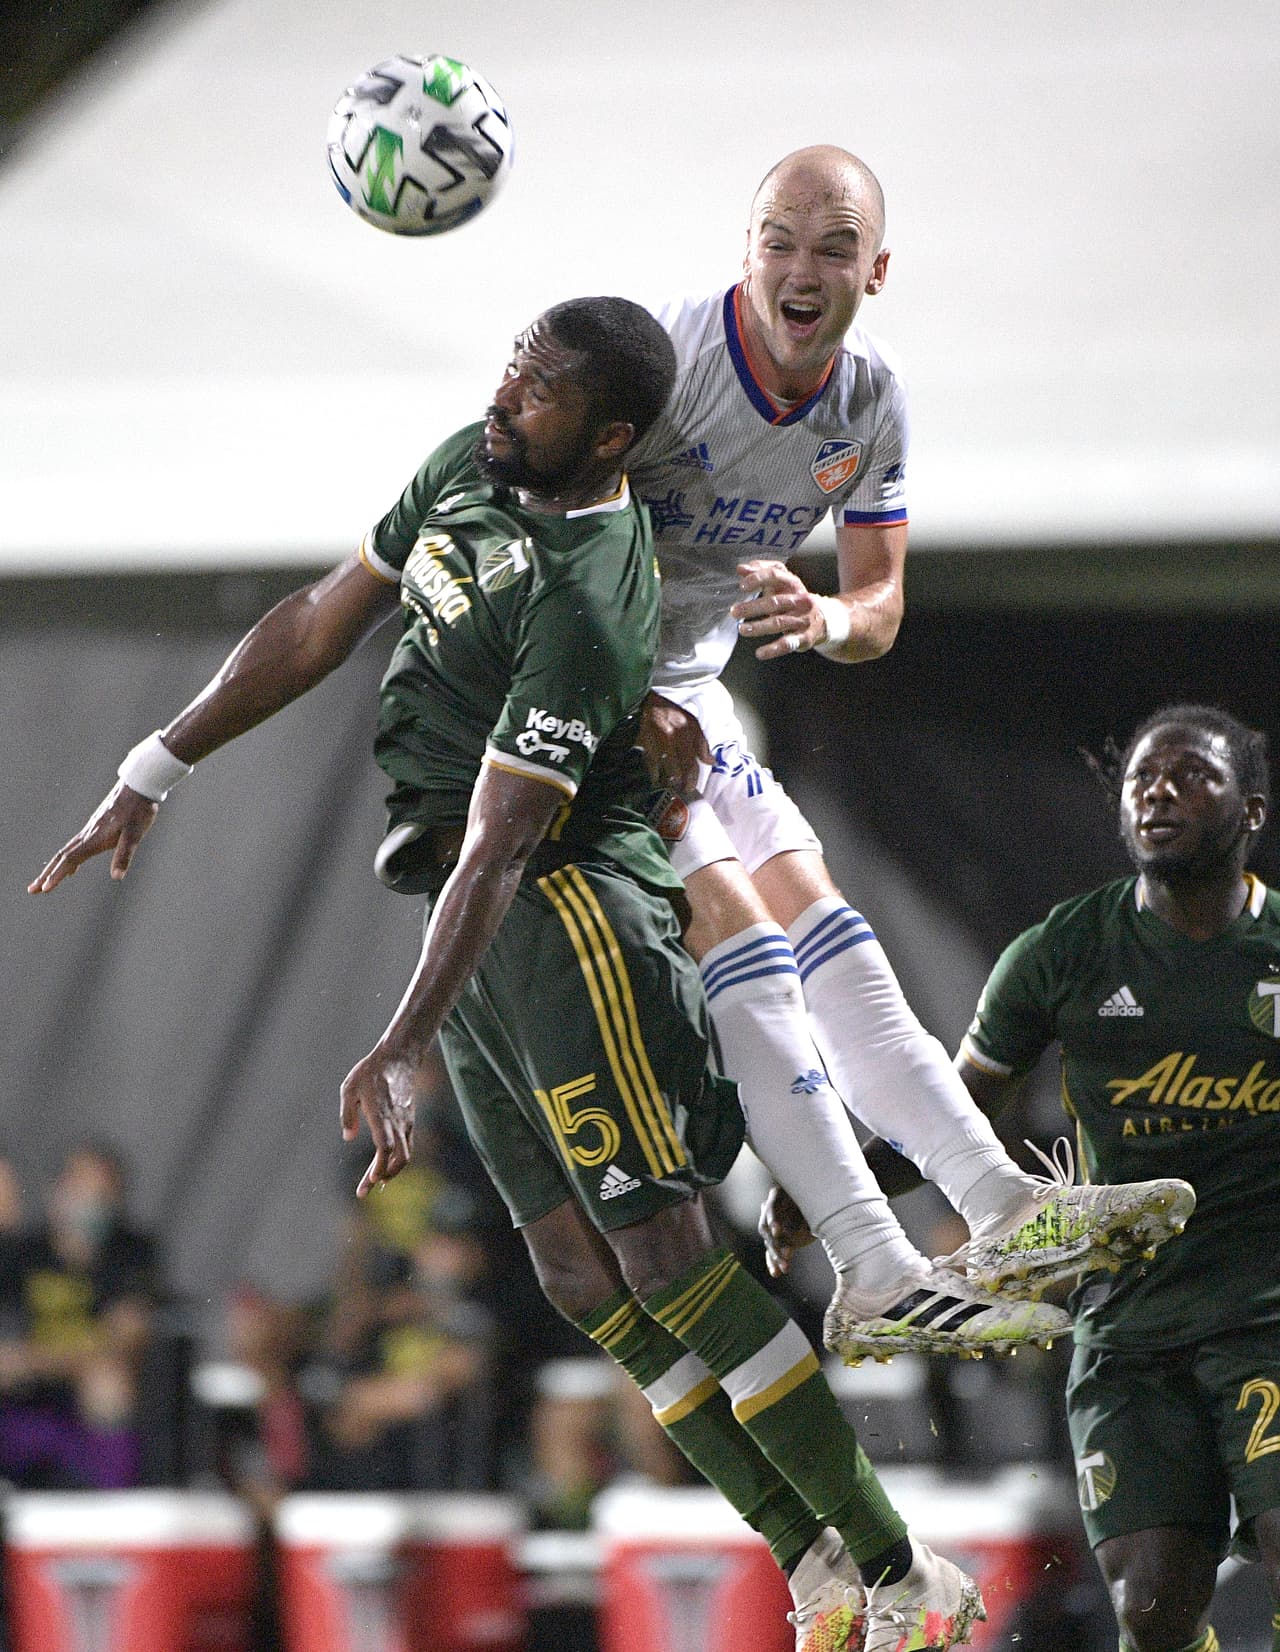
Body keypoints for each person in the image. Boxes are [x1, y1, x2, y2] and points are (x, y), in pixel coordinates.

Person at [30, 296, 984, 1652]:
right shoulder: (466, 465)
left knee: (661, 1250)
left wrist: (404, 1037)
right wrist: (155, 766)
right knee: (575, 1278)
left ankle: (896, 1571)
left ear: (607, 437)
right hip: (461, 910)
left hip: (568, 906)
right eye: (509, 368)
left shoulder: (594, 593)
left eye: (536, 391)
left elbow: (503, 839)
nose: (503, 397)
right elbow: (318, 614)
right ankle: (813, 1560)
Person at [626, 144, 1192, 1357]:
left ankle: (997, 1208)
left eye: (832, 245)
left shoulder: (866, 400)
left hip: (689, 691)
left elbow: (878, 605)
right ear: (743, 249)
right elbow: (538, 527)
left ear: (874, 270)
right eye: (779, 237)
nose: (800, 265)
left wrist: (822, 616)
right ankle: (871, 1259)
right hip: (591, 700)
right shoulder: (662, 362)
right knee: (748, 936)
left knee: (826, 926)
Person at [953, 704, 1279, 1652]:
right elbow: (956, 1110)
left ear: (1251, 810)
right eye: (1142, 778)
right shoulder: (1066, 950)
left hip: (1267, 1314)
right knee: (1151, 1614)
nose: (1159, 792)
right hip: (1131, 1331)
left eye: (1190, 776)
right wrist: (836, 1200)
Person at [0, 1141, 161, 1489]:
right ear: (57, 1189)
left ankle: (112, 1514)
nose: (89, 1203)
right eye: (80, 1187)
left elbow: (123, 1343)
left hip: (84, 1410)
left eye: (101, 1195)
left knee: (108, 1384)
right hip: (25, 1405)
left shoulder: (131, 1255)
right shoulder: (21, 1253)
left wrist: (34, 1360)